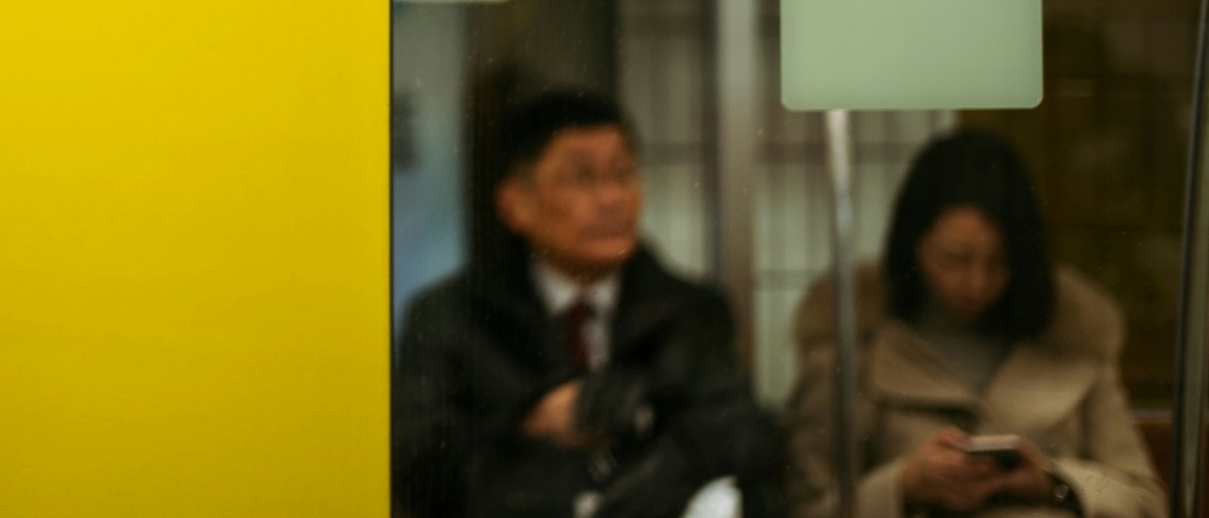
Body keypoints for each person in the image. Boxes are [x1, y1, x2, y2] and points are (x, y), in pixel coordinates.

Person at [394, 88, 779, 518]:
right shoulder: (452, 314)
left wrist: (664, 451)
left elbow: (745, 431)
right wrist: (528, 421)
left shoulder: (688, 308)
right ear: (515, 204)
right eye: (582, 178)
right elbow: (415, 464)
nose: (612, 198)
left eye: (624, 173)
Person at [787, 129, 1164, 518]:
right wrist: (903, 485)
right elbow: (810, 507)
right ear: (913, 245)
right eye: (954, 259)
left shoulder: (1074, 344)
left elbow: (1146, 499)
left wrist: (1053, 483)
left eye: (999, 262)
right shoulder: (854, 354)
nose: (976, 284)